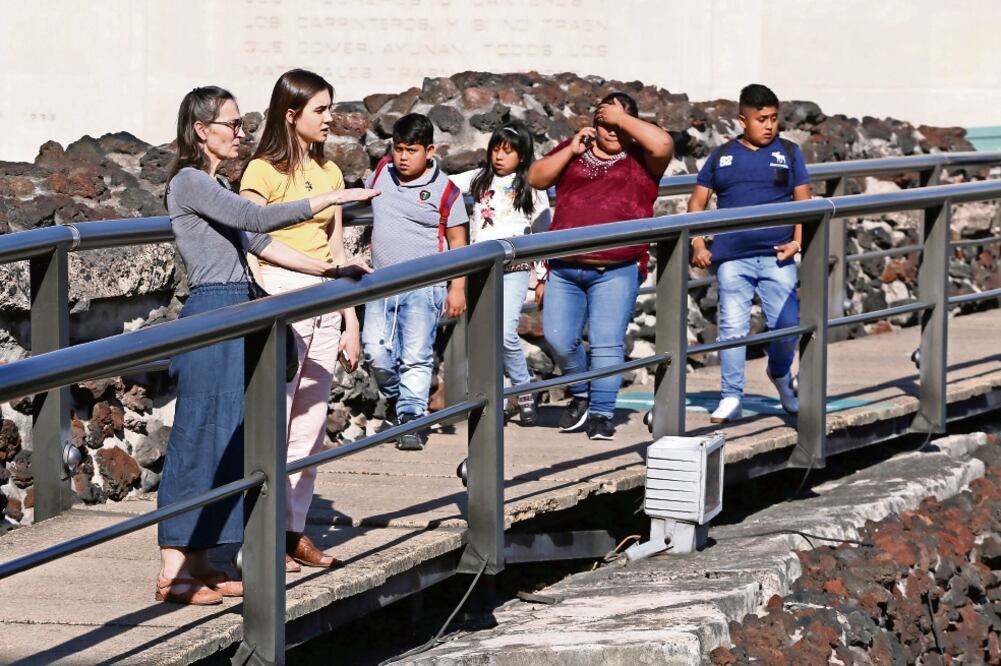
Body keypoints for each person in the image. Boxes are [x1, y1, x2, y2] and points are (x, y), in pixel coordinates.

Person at [157, 86, 377, 605]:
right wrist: (328, 198)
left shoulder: (213, 183)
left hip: (237, 308)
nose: (241, 133)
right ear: (200, 129)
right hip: (213, 311)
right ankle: (173, 570)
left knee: (230, 437)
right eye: (231, 124)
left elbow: (259, 244)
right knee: (200, 436)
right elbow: (258, 219)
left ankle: (203, 565)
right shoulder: (189, 180)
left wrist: (329, 269)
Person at [240, 69, 370, 574]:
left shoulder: (331, 173)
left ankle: (292, 531)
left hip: (324, 300)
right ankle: (261, 534)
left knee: (311, 426)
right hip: (281, 298)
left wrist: (351, 320)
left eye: (330, 107)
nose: (330, 117)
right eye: (321, 109)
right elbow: (247, 234)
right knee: (275, 419)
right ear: (291, 114)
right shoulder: (262, 172)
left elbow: (338, 248)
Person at [528, 92, 673, 440]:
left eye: (618, 123)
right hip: (564, 266)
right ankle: (581, 393)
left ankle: (602, 412)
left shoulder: (643, 157)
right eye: (604, 122)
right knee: (559, 339)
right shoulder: (575, 149)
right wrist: (570, 150)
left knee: (607, 342)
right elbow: (536, 178)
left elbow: (664, 143)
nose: (610, 130)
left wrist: (620, 118)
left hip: (617, 267)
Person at [688, 83, 810, 423]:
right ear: (743, 120)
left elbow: (804, 203)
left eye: (774, 118)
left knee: (787, 327)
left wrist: (798, 241)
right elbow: (697, 204)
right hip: (732, 258)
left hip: (778, 255)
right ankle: (731, 396)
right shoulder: (721, 156)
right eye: (761, 119)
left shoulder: (788, 151)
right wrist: (699, 243)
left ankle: (781, 375)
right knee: (732, 329)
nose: (769, 126)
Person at [363, 113, 470, 451]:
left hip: (426, 287)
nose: (403, 157)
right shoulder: (381, 172)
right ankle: (401, 401)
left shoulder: (445, 191)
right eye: (398, 149)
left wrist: (457, 287)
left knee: (416, 356)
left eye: (411, 150)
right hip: (380, 283)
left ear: (430, 150)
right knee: (374, 352)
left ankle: (411, 418)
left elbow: (458, 242)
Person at [448, 121, 550, 426]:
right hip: (482, 267)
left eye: (508, 151)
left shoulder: (531, 185)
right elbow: (444, 185)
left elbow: (543, 232)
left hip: (515, 267)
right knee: (484, 334)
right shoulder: (480, 179)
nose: (500, 157)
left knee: (505, 333)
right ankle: (495, 397)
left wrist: (543, 276)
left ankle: (524, 388)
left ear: (522, 155)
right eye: (496, 149)